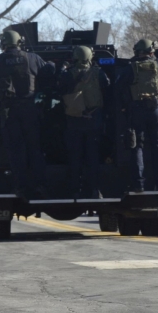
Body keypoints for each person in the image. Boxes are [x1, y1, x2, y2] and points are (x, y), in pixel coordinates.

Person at [0, 29, 54, 200]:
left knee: (16, 152)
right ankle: (40, 186)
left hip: (9, 114)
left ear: (3, 44)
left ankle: (21, 188)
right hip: (31, 112)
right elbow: (50, 74)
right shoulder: (32, 58)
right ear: (20, 42)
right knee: (35, 150)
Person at [55, 45, 110, 198]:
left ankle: (74, 190)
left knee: (75, 156)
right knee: (92, 156)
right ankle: (94, 189)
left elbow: (58, 90)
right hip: (94, 119)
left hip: (74, 120)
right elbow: (107, 90)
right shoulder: (99, 74)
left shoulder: (67, 75)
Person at [118, 38, 158, 192]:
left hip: (137, 110)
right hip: (156, 110)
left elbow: (119, 87)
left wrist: (125, 107)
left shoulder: (130, 68)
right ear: (151, 52)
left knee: (137, 147)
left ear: (137, 51)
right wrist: (156, 47)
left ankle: (139, 184)